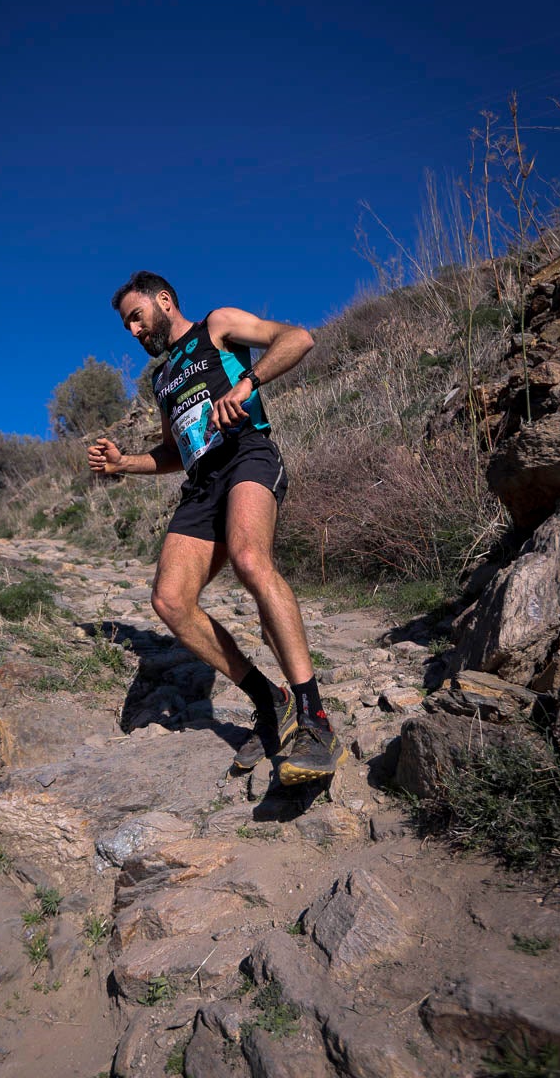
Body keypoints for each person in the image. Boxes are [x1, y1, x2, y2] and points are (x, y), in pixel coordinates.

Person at [87, 271, 344, 783]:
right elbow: (173, 453)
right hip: (201, 482)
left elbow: (298, 338)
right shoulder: (162, 379)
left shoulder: (218, 325)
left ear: (164, 300)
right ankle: (270, 703)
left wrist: (248, 383)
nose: (134, 331)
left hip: (247, 454)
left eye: (136, 317)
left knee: (250, 559)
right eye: (127, 326)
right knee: (170, 601)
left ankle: (314, 718)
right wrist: (123, 464)